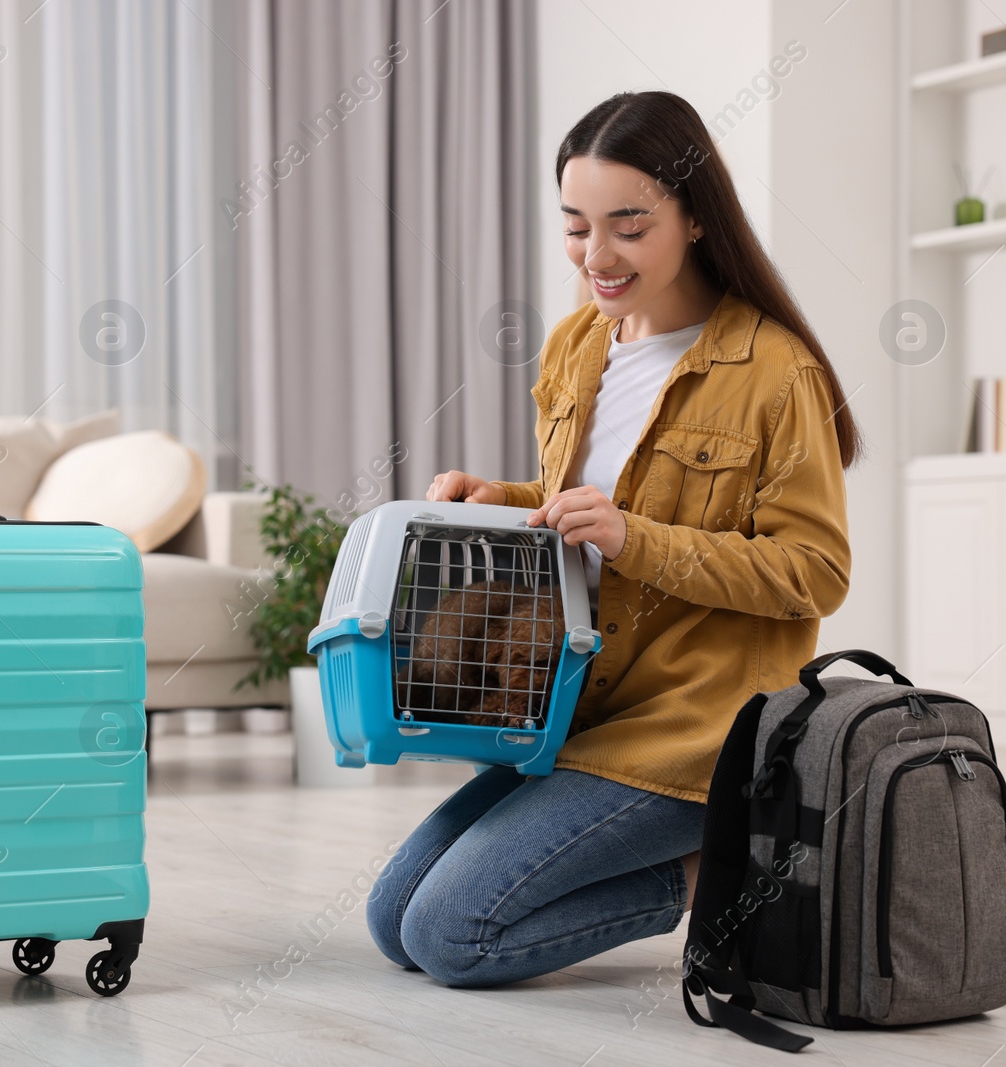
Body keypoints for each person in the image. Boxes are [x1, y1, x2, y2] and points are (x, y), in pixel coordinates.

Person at [366, 90, 858, 988]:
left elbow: (815, 573)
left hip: (693, 735)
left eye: (628, 226)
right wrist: (502, 497)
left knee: (449, 936)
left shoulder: (776, 372)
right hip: (578, 713)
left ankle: (718, 869)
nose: (598, 256)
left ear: (697, 217)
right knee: (391, 920)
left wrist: (638, 538)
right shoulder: (576, 346)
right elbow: (580, 506)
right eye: (576, 227)